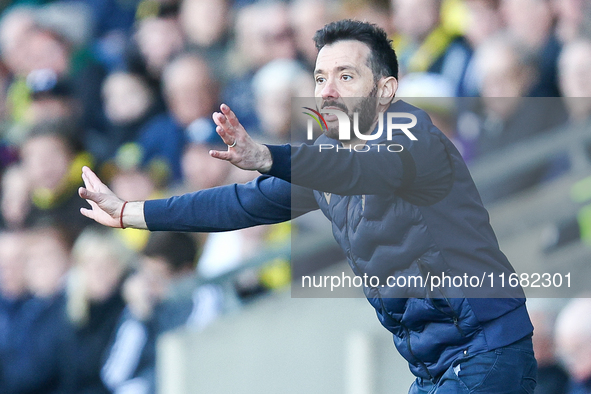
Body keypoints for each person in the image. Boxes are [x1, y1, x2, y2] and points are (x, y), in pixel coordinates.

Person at [78, 20, 536, 393]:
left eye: (346, 76)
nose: (328, 91)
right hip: (433, 366)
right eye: (320, 78)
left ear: (386, 90)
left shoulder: (414, 135)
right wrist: (130, 213)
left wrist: (267, 157)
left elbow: (366, 172)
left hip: (484, 352)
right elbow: (241, 204)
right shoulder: (328, 162)